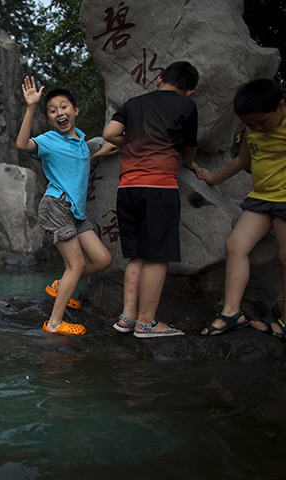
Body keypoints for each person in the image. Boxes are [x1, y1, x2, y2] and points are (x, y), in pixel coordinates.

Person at [103, 61, 201, 338]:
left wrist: (131, 141)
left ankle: (127, 318)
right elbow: (189, 150)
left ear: (159, 79)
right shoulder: (187, 106)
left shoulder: (134, 103)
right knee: (158, 256)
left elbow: (110, 134)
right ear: (189, 90)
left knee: (137, 254)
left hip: (127, 188)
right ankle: (147, 323)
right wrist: (190, 164)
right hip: (160, 188)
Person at [17, 76, 116, 335]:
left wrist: (97, 153)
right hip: (56, 208)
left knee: (103, 259)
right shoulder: (49, 140)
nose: (59, 113)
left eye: (63, 107)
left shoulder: (82, 144)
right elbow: (22, 144)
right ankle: (54, 323)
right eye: (52, 111)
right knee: (77, 265)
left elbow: (78, 163)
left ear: (75, 110)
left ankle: (60, 286)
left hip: (75, 213)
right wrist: (30, 107)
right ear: (49, 119)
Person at [199, 78, 286, 338]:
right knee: (235, 246)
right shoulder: (253, 132)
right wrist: (213, 179)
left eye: (262, 122)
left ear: (281, 106)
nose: (258, 127)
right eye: (250, 124)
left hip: (284, 200)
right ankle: (231, 312)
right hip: (260, 199)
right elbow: (242, 160)